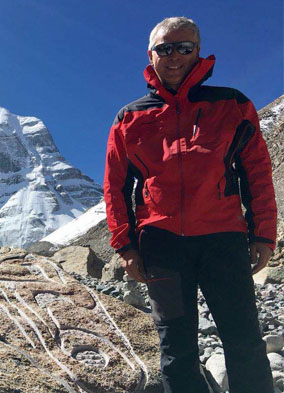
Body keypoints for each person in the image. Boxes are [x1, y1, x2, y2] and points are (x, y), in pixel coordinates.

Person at [103, 16, 277, 393]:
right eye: (165, 49)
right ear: (151, 56)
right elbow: (114, 188)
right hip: (162, 245)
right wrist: (125, 245)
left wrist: (263, 234)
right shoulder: (129, 118)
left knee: (244, 341)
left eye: (184, 48)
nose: (175, 56)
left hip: (224, 240)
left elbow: (257, 173)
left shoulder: (231, 104)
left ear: (198, 52)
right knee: (176, 350)